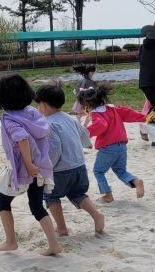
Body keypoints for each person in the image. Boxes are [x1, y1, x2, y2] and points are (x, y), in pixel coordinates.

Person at [0, 74, 62, 256]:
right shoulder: (32, 112)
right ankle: (54, 245)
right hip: (41, 167)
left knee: (2, 201)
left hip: (25, 167)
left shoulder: (9, 118)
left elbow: (21, 138)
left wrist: (29, 164)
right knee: (37, 206)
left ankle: (10, 241)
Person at [34, 84, 105, 236]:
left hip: (60, 170)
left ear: (44, 105)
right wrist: (87, 144)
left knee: (50, 196)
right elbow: (83, 133)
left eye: (38, 105)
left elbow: (54, 148)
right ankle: (97, 215)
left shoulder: (48, 124)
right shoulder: (69, 118)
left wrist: (47, 167)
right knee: (77, 194)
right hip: (79, 166)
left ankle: (61, 227)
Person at [78, 86, 146, 203]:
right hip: (122, 146)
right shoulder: (113, 109)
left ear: (87, 104)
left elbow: (101, 125)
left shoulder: (95, 114)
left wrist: (84, 134)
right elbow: (128, 113)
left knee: (98, 171)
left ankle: (108, 195)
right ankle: (136, 181)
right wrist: (144, 117)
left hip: (108, 148)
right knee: (121, 171)